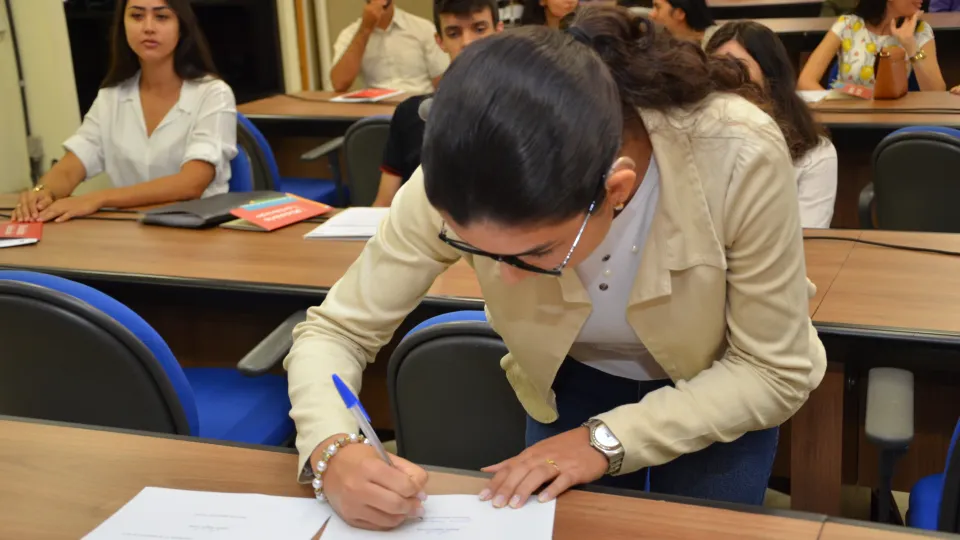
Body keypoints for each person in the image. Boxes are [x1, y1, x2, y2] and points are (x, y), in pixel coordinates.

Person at [285, 6, 826, 531]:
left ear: (616, 190)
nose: (508, 280)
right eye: (483, 253)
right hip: (570, 382)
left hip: (721, 393)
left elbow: (770, 370)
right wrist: (333, 450)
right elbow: (336, 331)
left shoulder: (735, 150)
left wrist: (601, 441)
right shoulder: (455, 176)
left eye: (538, 253)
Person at [11, 0, 236, 224]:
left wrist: (98, 198)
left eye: (162, 17)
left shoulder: (213, 94)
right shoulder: (112, 96)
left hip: (201, 234)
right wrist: (43, 192)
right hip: (133, 234)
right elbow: (72, 166)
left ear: (182, 27)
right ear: (123, 26)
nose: (148, 27)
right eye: (137, 16)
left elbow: (191, 184)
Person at [373, 0, 503, 208]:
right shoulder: (411, 114)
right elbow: (384, 204)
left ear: (498, 31)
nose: (467, 42)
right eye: (454, 33)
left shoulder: (523, 109)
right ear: (440, 41)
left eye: (479, 29)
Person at [706, 22, 838, 228]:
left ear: (771, 76)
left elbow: (808, 240)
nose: (726, 78)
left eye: (738, 66)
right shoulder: (695, 142)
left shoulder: (815, 154)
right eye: (716, 68)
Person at [798, 0, 946, 91]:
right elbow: (805, 82)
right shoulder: (848, 24)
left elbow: (937, 91)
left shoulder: (920, 30)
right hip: (847, 122)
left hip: (895, 122)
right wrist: (832, 107)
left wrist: (911, 46)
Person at [330, 1, 450, 94]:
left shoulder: (423, 29)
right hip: (375, 114)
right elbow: (339, 84)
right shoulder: (350, 34)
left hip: (417, 109)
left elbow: (443, 83)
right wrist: (365, 30)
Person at [648, 0, 717, 47]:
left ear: (680, 13)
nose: (651, 14)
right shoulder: (664, 44)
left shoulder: (720, 48)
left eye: (658, 7)